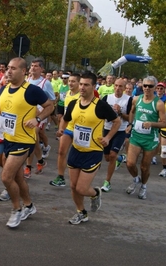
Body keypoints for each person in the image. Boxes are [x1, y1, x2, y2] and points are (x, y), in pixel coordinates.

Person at [0, 57, 53, 228]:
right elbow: (2, 111)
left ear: (23, 71)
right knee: (18, 177)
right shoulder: (4, 89)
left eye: (13, 68)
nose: (9, 71)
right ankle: (29, 206)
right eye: (8, 68)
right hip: (9, 138)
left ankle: (16, 210)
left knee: (6, 177)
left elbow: (50, 106)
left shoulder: (31, 90)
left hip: (24, 140)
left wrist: (37, 119)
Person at [61, 72, 121, 225]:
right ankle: (81, 212)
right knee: (73, 187)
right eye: (81, 84)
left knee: (81, 188)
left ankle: (95, 193)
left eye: (86, 85)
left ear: (94, 87)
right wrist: (61, 130)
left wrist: (107, 138)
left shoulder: (100, 105)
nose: (82, 87)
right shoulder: (74, 103)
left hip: (93, 152)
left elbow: (117, 122)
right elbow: (66, 118)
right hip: (76, 150)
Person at [125, 76, 166, 200]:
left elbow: (164, 123)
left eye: (150, 86)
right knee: (130, 163)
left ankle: (143, 186)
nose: (147, 88)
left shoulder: (159, 104)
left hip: (150, 139)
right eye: (145, 86)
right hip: (136, 136)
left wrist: (152, 124)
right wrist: (130, 124)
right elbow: (132, 112)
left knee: (144, 167)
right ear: (141, 86)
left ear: (154, 88)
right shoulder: (136, 99)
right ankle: (135, 179)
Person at [100, 78, 132, 192]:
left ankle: (107, 182)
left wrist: (120, 113)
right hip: (107, 129)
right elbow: (100, 114)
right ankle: (121, 158)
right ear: (114, 86)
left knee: (112, 155)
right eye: (116, 86)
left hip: (120, 130)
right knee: (107, 157)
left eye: (121, 86)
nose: (118, 88)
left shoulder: (128, 100)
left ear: (124, 88)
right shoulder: (107, 98)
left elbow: (129, 118)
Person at [50, 73, 81, 187]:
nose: (70, 83)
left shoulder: (81, 96)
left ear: (79, 83)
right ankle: (60, 177)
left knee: (78, 155)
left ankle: (79, 178)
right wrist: (61, 128)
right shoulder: (67, 93)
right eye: (69, 81)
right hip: (68, 127)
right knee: (62, 152)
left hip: (79, 129)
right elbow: (65, 113)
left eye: (73, 81)